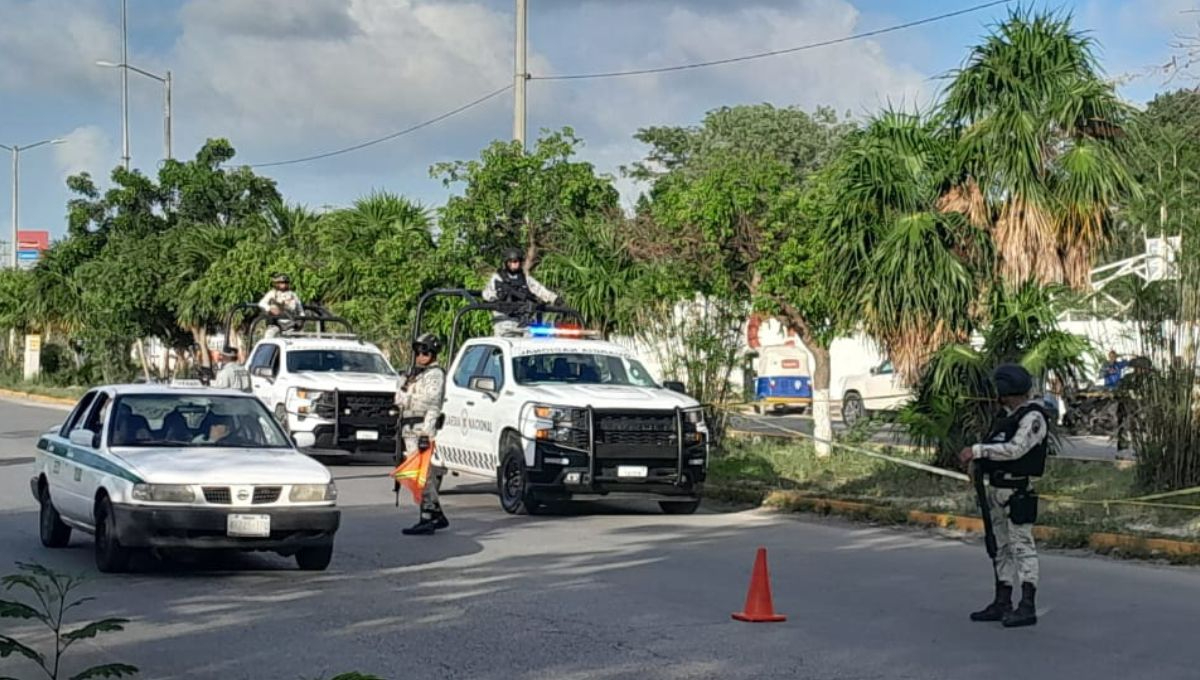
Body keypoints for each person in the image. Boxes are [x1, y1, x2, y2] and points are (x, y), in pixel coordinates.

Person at [958, 364, 1049, 628]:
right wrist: (978, 463)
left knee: (1022, 547)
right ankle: (1003, 600)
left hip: (1017, 491)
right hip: (996, 491)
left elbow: (1015, 450)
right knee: (999, 547)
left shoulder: (1033, 417)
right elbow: (996, 447)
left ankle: (1027, 604)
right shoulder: (1007, 417)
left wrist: (978, 451)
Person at [396, 333, 448, 535]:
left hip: (422, 429)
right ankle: (435, 513)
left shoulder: (435, 375)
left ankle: (427, 516)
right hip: (408, 429)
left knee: (421, 475)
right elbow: (398, 396)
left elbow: (431, 402)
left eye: (425, 352)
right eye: (418, 351)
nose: (421, 355)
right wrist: (405, 388)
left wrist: (427, 433)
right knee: (419, 474)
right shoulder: (414, 373)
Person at [481, 247, 560, 336]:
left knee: (531, 343)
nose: (515, 264)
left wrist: (555, 299)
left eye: (517, 261)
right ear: (507, 262)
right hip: (503, 321)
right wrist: (495, 301)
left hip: (523, 321)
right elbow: (487, 294)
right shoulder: (497, 278)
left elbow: (539, 289)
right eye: (512, 261)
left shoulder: (525, 279)